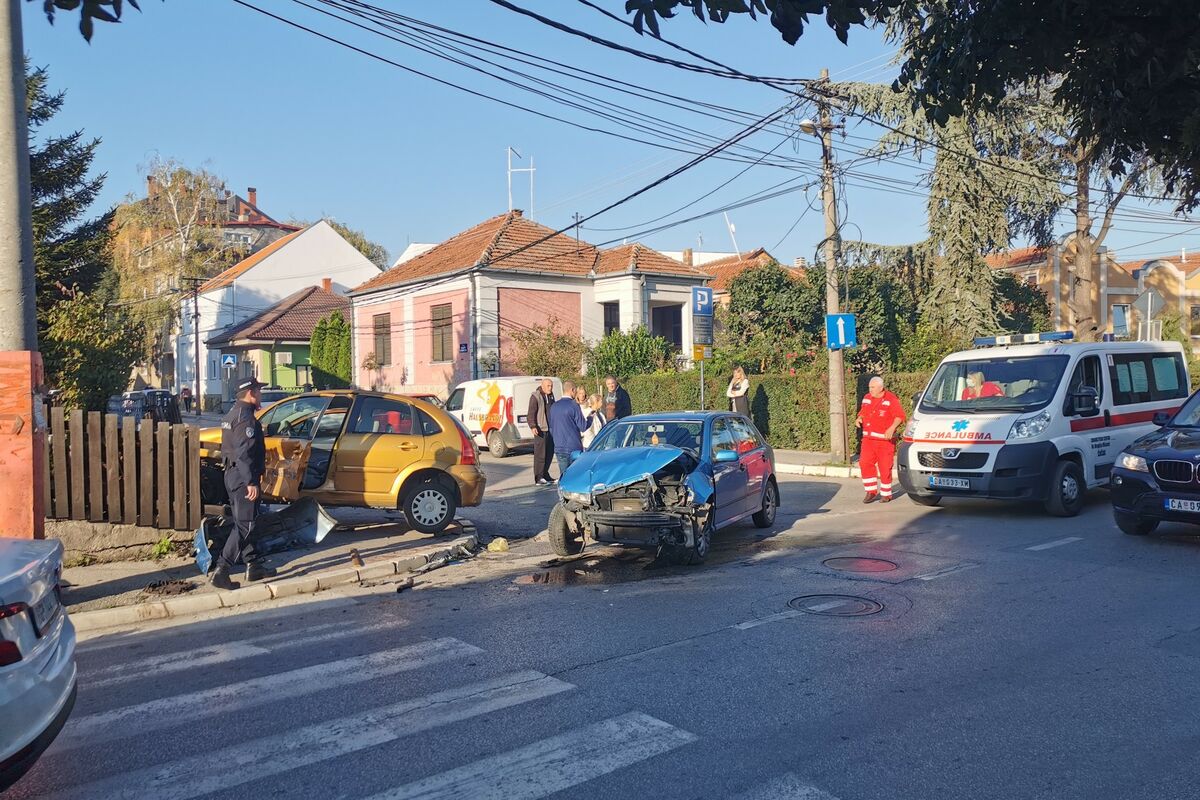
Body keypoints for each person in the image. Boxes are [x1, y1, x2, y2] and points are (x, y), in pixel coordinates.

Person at [211, 377, 277, 589]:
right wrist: (250, 481)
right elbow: (244, 453)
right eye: (258, 390)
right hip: (242, 478)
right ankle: (222, 570)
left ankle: (254, 565)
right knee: (245, 524)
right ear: (251, 393)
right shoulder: (245, 419)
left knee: (248, 520)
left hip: (233, 475)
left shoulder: (232, 414)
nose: (260, 394)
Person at [855, 375, 906, 504]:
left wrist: (892, 428)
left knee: (885, 467)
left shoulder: (891, 399)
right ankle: (870, 491)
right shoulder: (867, 398)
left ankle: (886, 493)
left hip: (884, 441)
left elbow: (899, 416)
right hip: (868, 439)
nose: (870, 390)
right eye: (869, 387)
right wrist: (859, 418)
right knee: (865, 463)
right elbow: (863, 411)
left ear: (881, 388)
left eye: (872, 387)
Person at [549, 380, 596, 475]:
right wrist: (590, 418)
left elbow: (551, 427)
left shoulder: (554, 406)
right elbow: (583, 426)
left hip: (559, 447)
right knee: (576, 475)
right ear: (572, 390)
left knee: (564, 476)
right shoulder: (574, 405)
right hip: (573, 447)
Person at [527, 378, 556, 485]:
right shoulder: (536, 396)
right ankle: (539, 477)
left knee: (549, 453)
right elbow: (531, 413)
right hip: (540, 429)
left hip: (550, 428)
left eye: (551, 386)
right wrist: (533, 426)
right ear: (542, 386)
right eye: (548, 386)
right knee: (540, 455)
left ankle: (545, 475)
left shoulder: (551, 396)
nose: (550, 388)